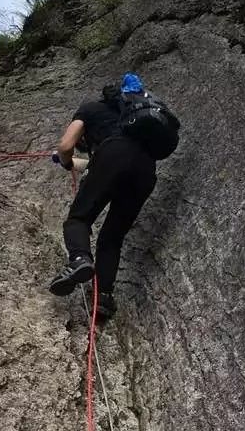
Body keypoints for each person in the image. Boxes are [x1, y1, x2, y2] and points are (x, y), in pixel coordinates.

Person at [48, 72, 176, 322]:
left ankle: (79, 259)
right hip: (145, 170)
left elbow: (66, 147)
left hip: (111, 157)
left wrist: (64, 161)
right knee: (112, 237)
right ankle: (104, 296)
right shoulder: (130, 120)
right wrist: (73, 163)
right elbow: (102, 162)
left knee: (78, 220)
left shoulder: (90, 109)